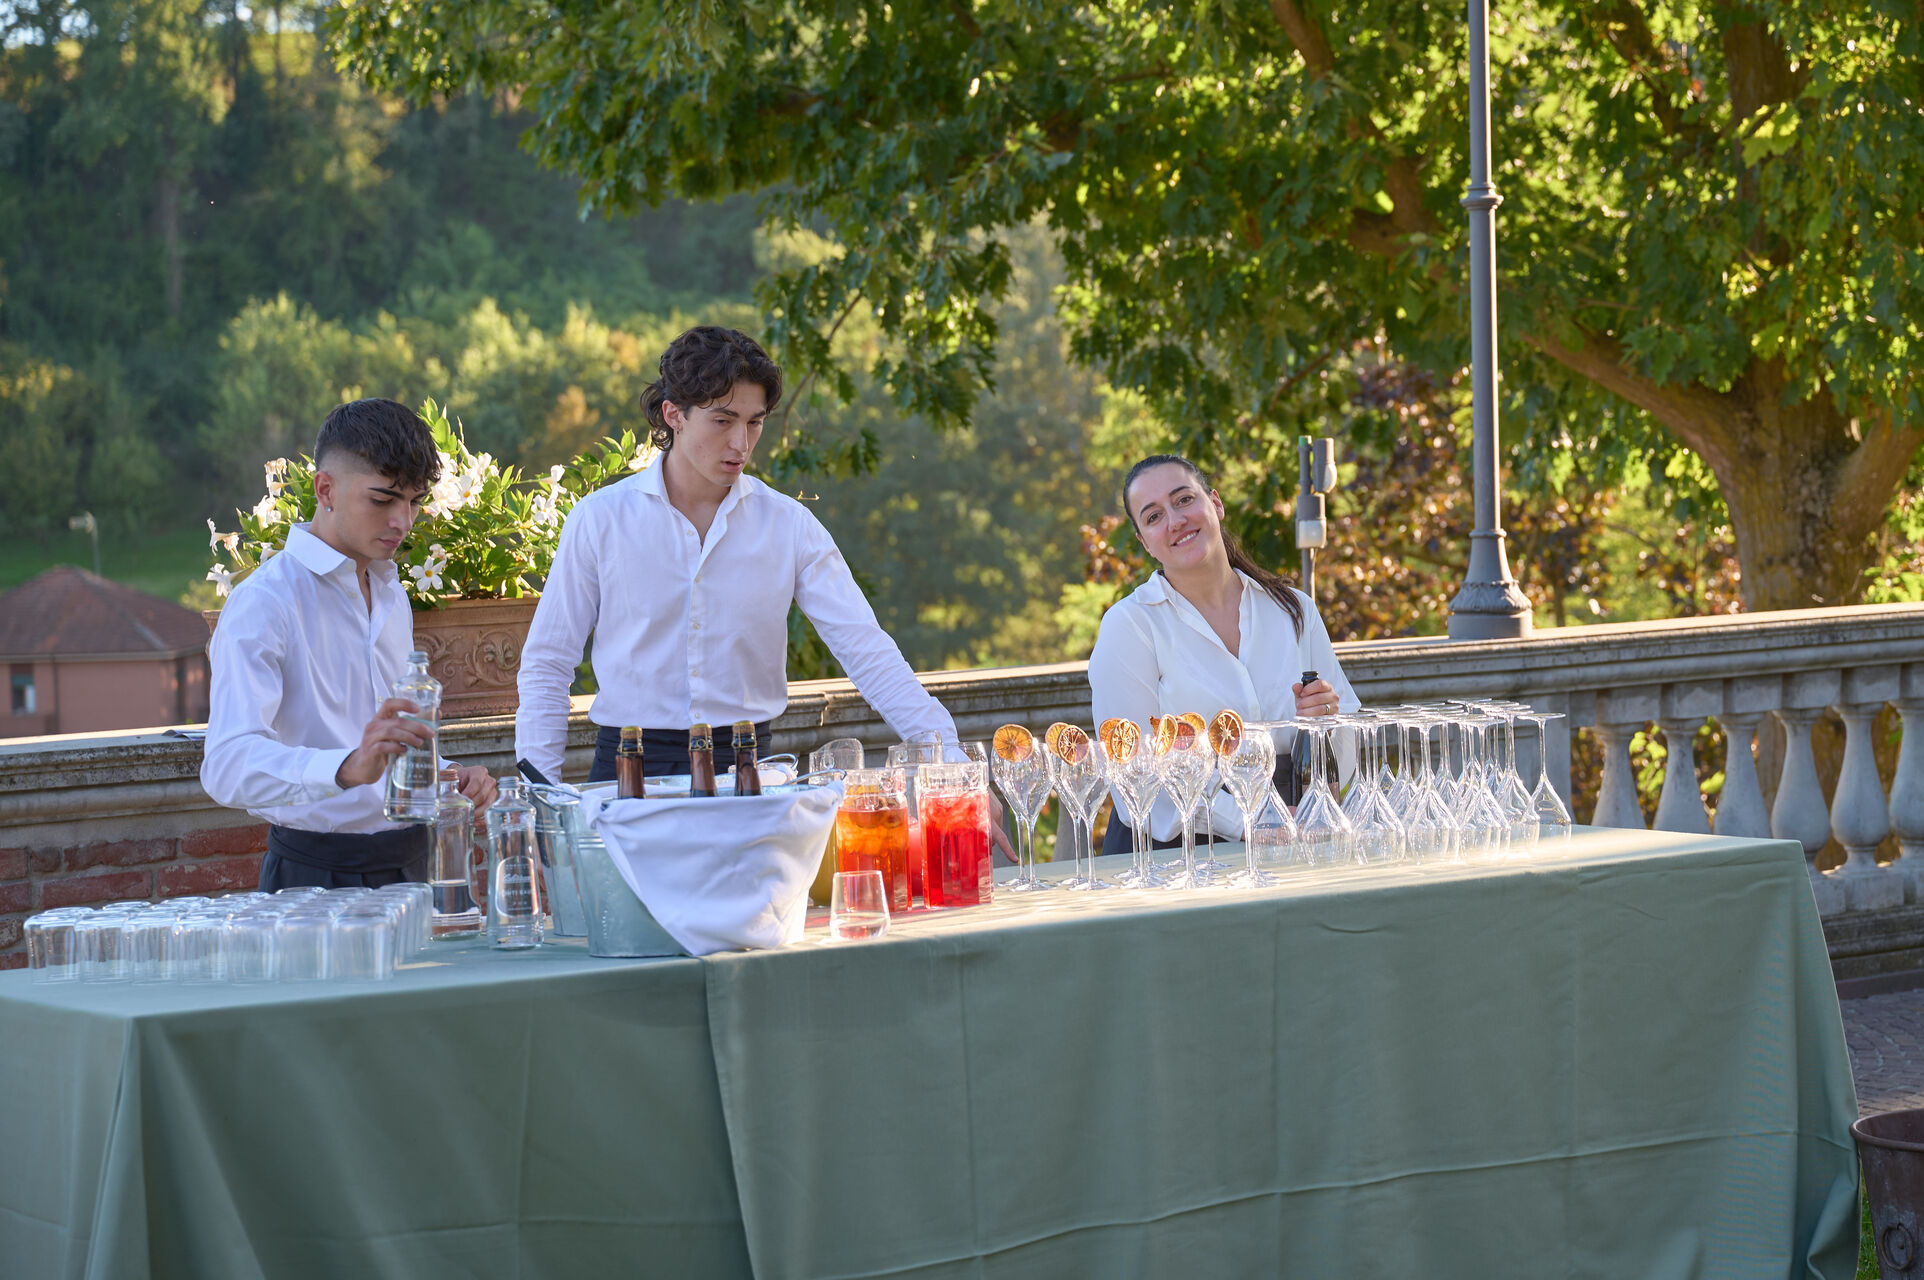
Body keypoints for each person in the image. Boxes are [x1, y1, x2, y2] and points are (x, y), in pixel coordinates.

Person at [515, 326, 967, 792]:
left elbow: (867, 651)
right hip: (627, 774)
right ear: (674, 415)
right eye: (723, 421)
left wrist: (951, 765)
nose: (742, 444)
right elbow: (548, 664)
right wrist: (538, 796)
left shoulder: (789, 525)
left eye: (754, 423)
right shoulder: (599, 520)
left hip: (750, 776)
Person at [202, 399, 498, 890]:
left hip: (417, 865)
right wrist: (343, 767)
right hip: (314, 875)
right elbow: (227, 764)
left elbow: (390, 741)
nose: (403, 521)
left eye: (415, 501)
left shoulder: (392, 594)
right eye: (383, 500)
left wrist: (449, 775)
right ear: (326, 490)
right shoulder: (263, 602)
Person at [1088, 454, 1358, 855]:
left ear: (1215, 503)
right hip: (1171, 858)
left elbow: (1350, 749)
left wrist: (1327, 725)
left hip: (1290, 839)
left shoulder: (1293, 609)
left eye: (1183, 500)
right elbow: (1134, 776)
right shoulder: (1130, 627)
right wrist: (1252, 819)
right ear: (1145, 543)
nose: (1176, 520)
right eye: (1153, 516)